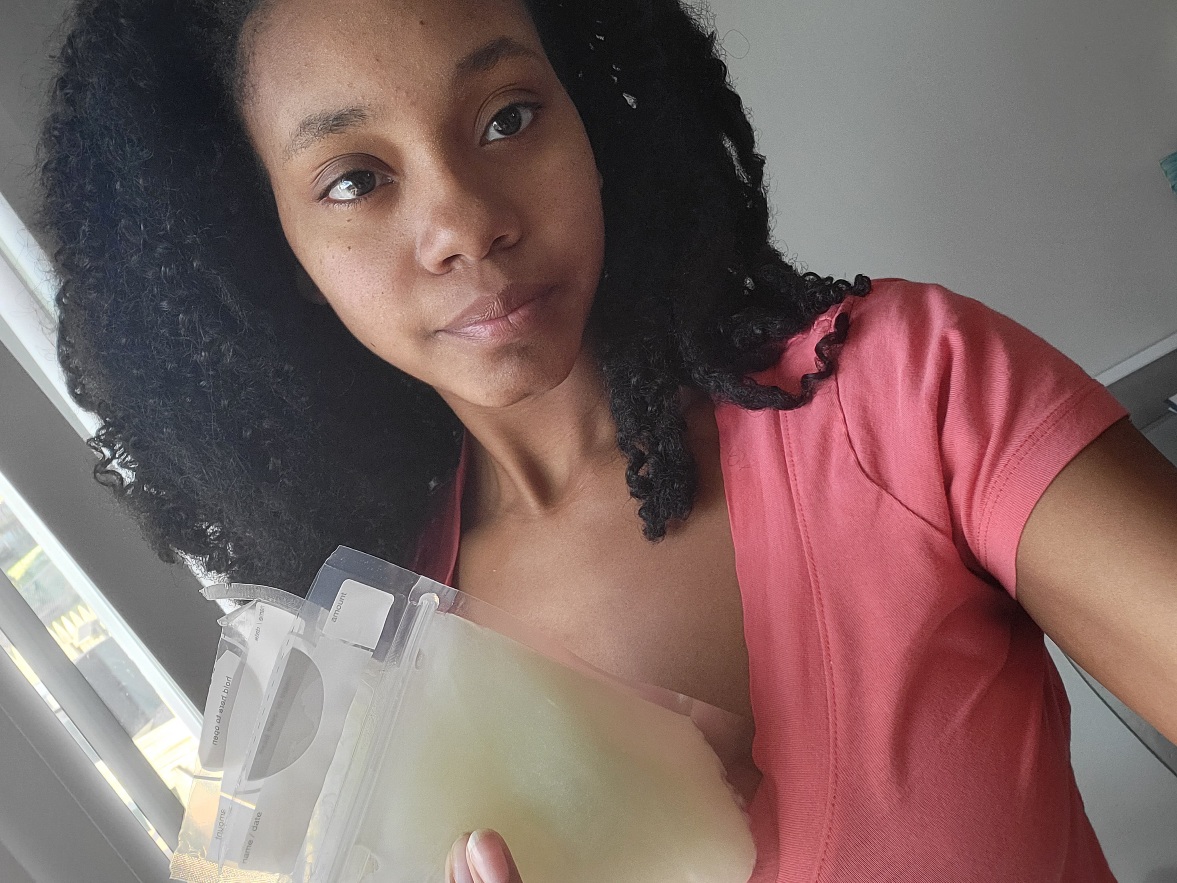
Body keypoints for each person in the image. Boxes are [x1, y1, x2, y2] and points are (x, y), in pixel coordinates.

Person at [37, 0, 1177, 880]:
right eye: (355, 180)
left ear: (589, 115)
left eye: (507, 116)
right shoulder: (378, 696)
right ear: (275, 250)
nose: (465, 223)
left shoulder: (906, 395)